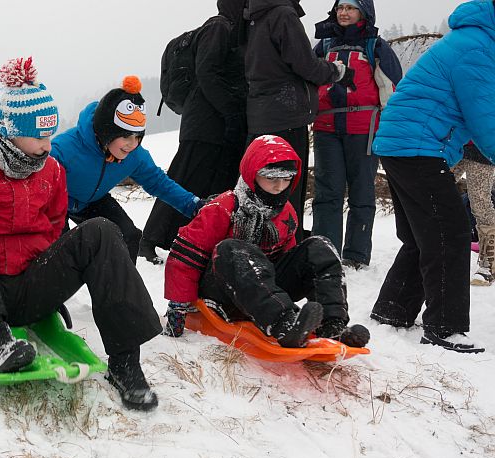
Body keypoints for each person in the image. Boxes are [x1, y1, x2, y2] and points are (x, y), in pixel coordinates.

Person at [0, 58, 161, 411]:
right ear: (9, 130)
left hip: (28, 286)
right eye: (39, 136)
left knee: (100, 230)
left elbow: (56, 227)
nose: (47, 145)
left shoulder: (50, 170)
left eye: (50, 134)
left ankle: (125, 362)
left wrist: (54, 289)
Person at [162, 135, 370, 350]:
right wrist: (178, 305)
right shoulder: (224, 207)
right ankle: (284, 324)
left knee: (319, 247)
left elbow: (289, 260)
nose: (280, 186)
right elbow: (186, 254)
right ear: (253, 174)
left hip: (262, 288)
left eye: (287, 178)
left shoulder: (286, 212)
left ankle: (332, 325)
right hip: (221, 290)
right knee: (233, 248)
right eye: (271, 178)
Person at [371, 0, 495, 354]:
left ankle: (393, 308)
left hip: (403, 143)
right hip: (417, 145)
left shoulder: (473, 40)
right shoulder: (477, 47)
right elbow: (485, 118)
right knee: (451, 232)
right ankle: (445, 326)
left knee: (423, 234)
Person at [138, 0, 248, 265]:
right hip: (204, 124)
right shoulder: (219, 27)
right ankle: (149, 241)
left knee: (214, 185)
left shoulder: (234, 30)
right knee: (183, 180)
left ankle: (193, 242)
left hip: (216, 125)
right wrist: (231, 110)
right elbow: (207, 72)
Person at [51, 76, 204, 264]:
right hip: (58, 202)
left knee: (128, 236)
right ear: (107, 132)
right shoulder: (64, 149)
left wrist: (193, 205)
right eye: (125, 136)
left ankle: (120, 287)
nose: (132, 144)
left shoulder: (135, 155)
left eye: (138, 136)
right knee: (62, 250)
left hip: (94, 201)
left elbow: (159, 183)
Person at [243, 0, 356, 242]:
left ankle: (262, 244)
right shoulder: (283, 15)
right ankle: (286, 247)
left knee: (262, 189)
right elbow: (306, 65)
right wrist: (336, 71)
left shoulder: (254, 17)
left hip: (259, 115)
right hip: (287, 116)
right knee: (286, 189)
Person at [311, 0, 402, 270]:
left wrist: (388, 129)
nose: (343, 13)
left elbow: (391, 90)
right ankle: (324, 254)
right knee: (327, 193)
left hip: (363, 128)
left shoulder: (375, 46)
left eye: (350, 8)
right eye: (340, 8)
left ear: (363, 13)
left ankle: (356, 256)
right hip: (326, 128)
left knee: (362, 192)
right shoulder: (324, 46)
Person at [453, 143, 495, 286]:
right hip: (451, 142)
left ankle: (489, 262)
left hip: (483, 145)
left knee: (480, 202)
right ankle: (431, 250)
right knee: (435, 191)